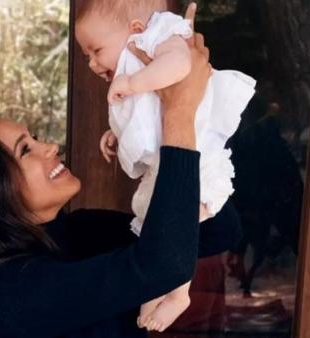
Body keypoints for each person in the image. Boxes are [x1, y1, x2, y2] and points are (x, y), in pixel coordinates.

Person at [0, 24, 241, 338]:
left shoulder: (78, 232)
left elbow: (216, 231)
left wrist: (155, 130)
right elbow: (163, 265)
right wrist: (179, 112)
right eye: (26, 150)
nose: (51, 148)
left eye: (36, 137)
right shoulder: (6, 295)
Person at [74, 0, 255, 330]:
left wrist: (131, 84)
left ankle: (178, 292)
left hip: (198, 159)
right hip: (169, 160)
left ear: (136, 31)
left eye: (96, 50)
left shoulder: (161, 36)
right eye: (87, 55)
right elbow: (146, 117)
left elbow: (180, 66)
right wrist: (116, 134)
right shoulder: (136, 67)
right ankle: (157, 288)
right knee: (154, 223)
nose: (92, 63)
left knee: (177, 226)